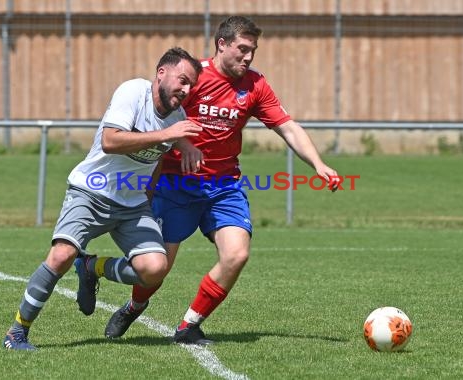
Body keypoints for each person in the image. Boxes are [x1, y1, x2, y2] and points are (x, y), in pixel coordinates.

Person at [105, 16, 340, 344]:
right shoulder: (193, 77)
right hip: (175, 185)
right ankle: (134, 305)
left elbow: (287, 126)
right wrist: (180, 143)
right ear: (222, 44)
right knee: (157, 268)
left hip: (223, 187)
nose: (248, 57)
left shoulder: (255, 85)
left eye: (252, 50)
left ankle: (189, 325)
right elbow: (158, 113)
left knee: (236, 255)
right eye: (242, 49)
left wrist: (318, 163)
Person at [2, 47, 203, 350]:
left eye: (191, 85)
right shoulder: (133, 92)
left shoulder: (177, 117)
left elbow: (158, 157)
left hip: (132, 205)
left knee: (154, 269)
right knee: (61, 255)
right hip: (90, 191)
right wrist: (172, 135)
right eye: (182, 80)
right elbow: (111, 141)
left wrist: (177, 150)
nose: (186, 90)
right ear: (161, 72)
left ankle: (91, 268)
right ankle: (17, 332)